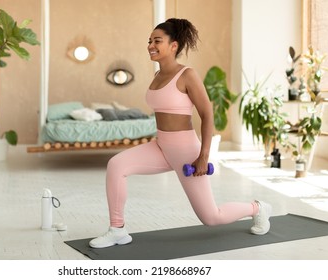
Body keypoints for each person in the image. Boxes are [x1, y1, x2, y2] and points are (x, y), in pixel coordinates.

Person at [89, 18, 272, 249]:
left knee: (211, 217)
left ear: (173, 45)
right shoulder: (157, 76)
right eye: (149, 41)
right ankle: (117, 230)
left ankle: (258, 208)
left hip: (186, 151)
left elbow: (207, 114)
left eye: (157, 41)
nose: (150, 45)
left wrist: (204, 155)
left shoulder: (187, 75)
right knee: (116, 165)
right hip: (161, 146)